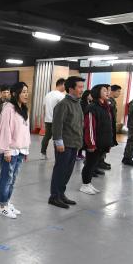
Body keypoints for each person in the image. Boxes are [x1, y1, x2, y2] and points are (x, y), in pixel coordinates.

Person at [0, 82, 31, 219]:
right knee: (6, 178)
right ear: (15, 94)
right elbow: (5, 130)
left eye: (27, 91)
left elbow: (25, 131)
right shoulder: (9, 109)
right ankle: (2, 206)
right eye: (23, 92)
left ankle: (7, 202)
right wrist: (6, 150)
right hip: (10, 151)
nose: (26, 94)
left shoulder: (24, 109)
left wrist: (26, 149)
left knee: (13, 178)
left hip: (20, 150)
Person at [49, 76, 85, 209]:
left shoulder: (77, 103)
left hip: (74, 143)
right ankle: (54, 196)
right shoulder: (63, 104)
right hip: (64, 144)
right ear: (71, 89)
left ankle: (61, 194)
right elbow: (57, 125)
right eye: (80, 87)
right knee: (60, 170)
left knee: (68, 171)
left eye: (82, 86)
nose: (82, 89)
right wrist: (58, 142)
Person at [80, 84, 113, 195]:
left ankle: (88, 184)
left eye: (108, 91)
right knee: (89, 164)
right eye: (104, 91)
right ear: (97, 93)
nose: (107, 92)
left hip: (103, 142)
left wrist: (109, 142)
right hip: (94, 143)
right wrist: (91, 144)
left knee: (94, 164)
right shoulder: (92, 108)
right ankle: (85, 185)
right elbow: (89, 128)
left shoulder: (106, 106)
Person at [40, 78, 66, 159]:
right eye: (65, 85)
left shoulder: (48, 94)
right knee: (57, 138)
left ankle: (43, 153)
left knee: (47, 137)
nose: (65, 88)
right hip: (57, 121)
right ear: (62, 84)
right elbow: (63, 110)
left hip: (48, 120)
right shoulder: (61, 96)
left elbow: (44, 108)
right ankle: (58, 156)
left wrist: (44, 119)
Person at [100, 84, 121, 170]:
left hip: (110, 126)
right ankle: (99, 162)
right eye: (118, 91)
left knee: (106, 145)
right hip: (105, 127)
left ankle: (101, 160)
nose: (119, 93)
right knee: (102, 145)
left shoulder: (111, 101)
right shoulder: (108, 101)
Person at [77, 90, 93, 160]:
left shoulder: (89, 103)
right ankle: (78, 154)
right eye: (90, 95)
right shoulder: (82, 103)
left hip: (86, 124)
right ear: (87, 95)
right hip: (81, 123)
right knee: (80, 139)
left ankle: (81, 154)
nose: (91, 96)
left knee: (84, 139)